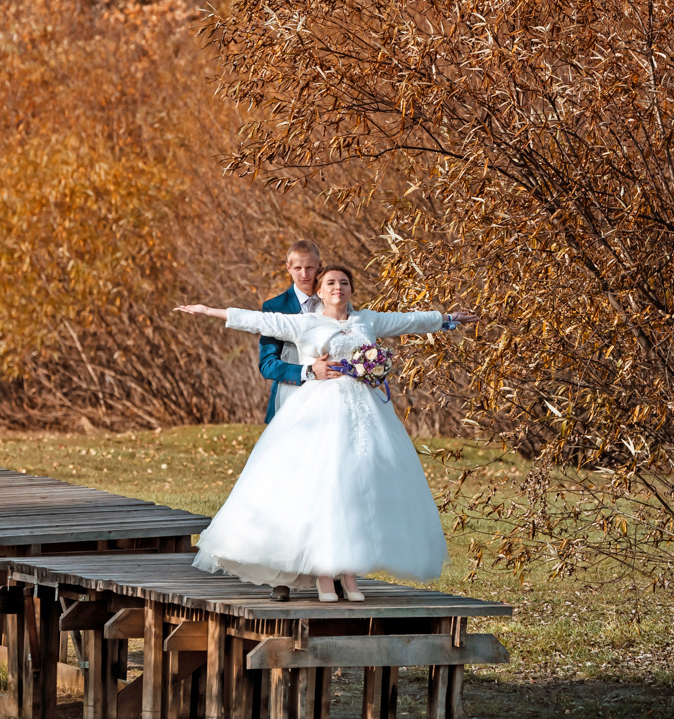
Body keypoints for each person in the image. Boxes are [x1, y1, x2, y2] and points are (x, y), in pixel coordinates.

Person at [175, 265, 477, 602]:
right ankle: (322, 573)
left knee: (355, 488)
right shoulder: (305, 322)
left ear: (351, 289)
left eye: (344, 283)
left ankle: (348, 575)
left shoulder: (367, 320)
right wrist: (209, 311)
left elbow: (408, 320)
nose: (338, 288)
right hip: (320, 412)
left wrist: (447, 319)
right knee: (325, 487)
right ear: (319, 290)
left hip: (366, 413)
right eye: (331, 283)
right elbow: (260, 321)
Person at [255, 240, 323, 423]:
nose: (304, 274)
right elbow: (267, 365)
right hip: (289, 400)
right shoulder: (274, 307)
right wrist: (307, 372)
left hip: (330, 399)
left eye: (310, 267)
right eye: (298, 268)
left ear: (320, 266)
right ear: (288, 268)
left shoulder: (335, 300)